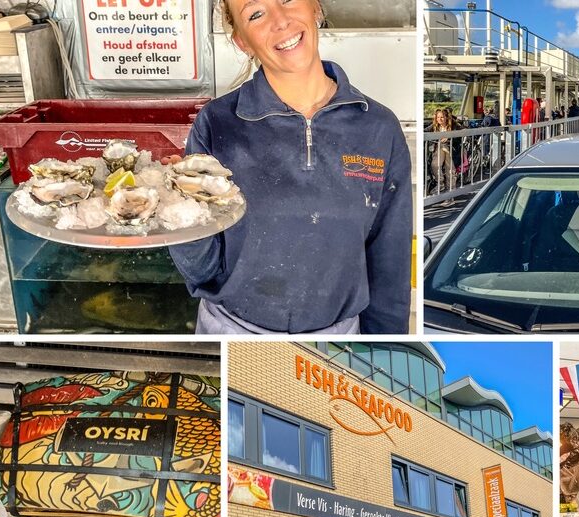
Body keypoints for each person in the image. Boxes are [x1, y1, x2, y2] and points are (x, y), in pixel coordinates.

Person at [166, 0, 412, 335]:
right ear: (242, 41)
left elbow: (390, 263)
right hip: (230, 332)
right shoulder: (217, 124)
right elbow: (202, 270)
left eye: (287, 0)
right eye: (256, 14)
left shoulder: (378, 127)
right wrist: (178, 215)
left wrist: (384, 350)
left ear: (316, 8)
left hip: (338, 342)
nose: (280, 21)